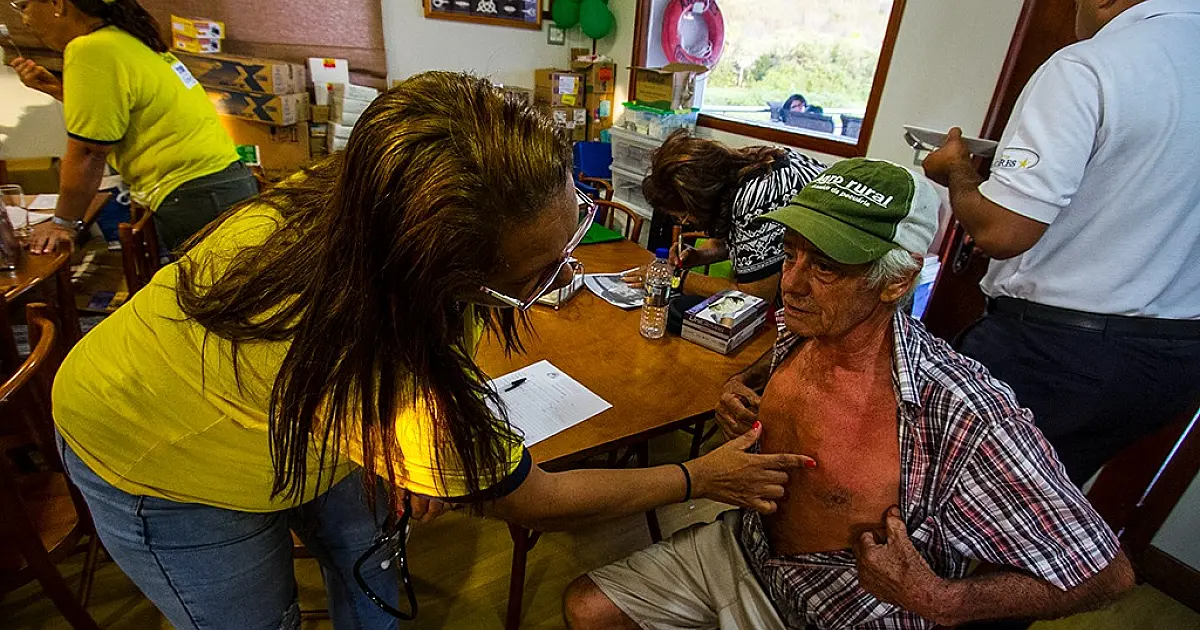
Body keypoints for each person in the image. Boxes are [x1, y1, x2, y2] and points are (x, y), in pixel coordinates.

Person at [52, 72, 816, 630]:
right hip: (150, 449)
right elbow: (532, 500)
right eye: (535, 272)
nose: (567, 273)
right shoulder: (378, 360)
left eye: (572, 230)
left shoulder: (376, 197)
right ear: (438, 274)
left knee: (368, 551)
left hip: (271, 400)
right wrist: (698, 475)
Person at [565, 158, 1134, 630]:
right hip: (748, 548)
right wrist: (742, 386)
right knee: (586, 608)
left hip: (842, 610)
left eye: (827, 268)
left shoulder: (962, 413)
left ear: (897, 279)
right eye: (790, 254)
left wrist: (941, 599)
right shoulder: (804, 326)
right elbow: (778, 359)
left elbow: (1106, 576)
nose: (791, 282)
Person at [922, 0, 1200, 486]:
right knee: (1048, 497)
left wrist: (957, 172)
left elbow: (1001, 232)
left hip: (1059, 352)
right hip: (1175, 356)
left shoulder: (1090, 65)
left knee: (949, 483)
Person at [10, 0, 257, 254]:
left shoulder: (89, 48)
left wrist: (62, 223)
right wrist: (60, 91)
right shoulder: (127, 39)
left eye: (24, 6)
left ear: (57, 4)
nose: (24, 20)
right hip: (221, 187)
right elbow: (119, 113)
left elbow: (89, 152)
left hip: (194, 197)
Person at [623, 130, 826, 303]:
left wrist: (675, 278)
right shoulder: (737, 171)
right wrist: (699, 255)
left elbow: (756, 295)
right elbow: (742, 243)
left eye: (685, 215)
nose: (686, 223)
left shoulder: (756, 196)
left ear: (702, 198)